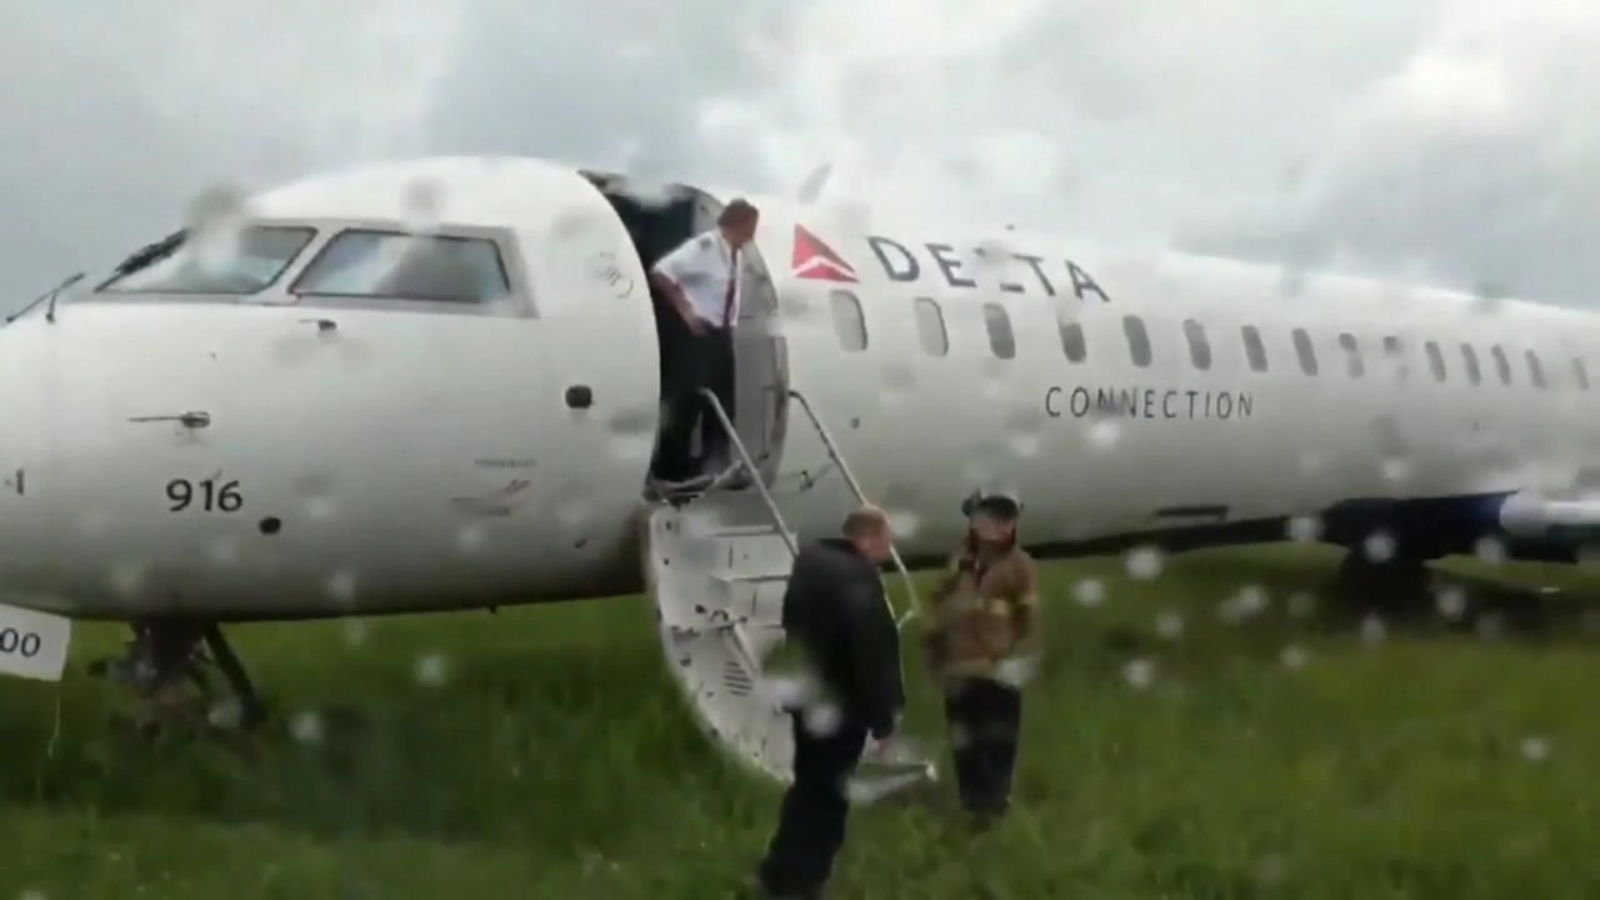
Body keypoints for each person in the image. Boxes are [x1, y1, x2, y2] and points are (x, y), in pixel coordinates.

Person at [753, 505, 905, 899]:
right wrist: (885, 718)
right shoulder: (857, 578)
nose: (887, 555)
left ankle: (779, 869)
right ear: (868, 538)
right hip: (843, 709)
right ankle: (804, 881)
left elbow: (793, 629)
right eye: (886, 544)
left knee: (807, 787)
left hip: (808, 702)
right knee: (830, 796)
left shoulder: (810, 565)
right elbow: (872, 654)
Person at [921, 491, 1040, 826]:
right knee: (966, 746)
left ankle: (995, 808)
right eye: (990, 515)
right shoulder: (957, 564)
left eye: (1006, 517)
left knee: (997, 744)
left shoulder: (1020, 566)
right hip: (958, 672)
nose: (999, 524)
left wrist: (1016, 662)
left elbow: (1028, 622)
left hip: (998, 672)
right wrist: (933, 654)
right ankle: (974, 811)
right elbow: (935, 611)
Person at [648, 199, 760, 485]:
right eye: (751, 226)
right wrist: (685, 309)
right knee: (687, 401)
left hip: (723, 334)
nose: (753, 233)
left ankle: (715, 462)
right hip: (700, 334)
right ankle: (671, 467)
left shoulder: (736, 254)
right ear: (739, 223)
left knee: (723, 402)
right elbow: (662, 271)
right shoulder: (705, 248)